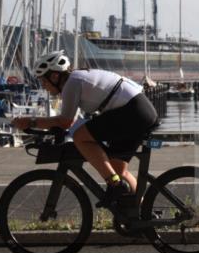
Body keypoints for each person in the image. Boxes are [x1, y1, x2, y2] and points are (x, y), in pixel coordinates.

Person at [11, 51, 158, 204]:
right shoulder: (76, 79)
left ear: (54, 76)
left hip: (133, 111)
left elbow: (65, 121)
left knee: (80, 137)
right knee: (118, 168)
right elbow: (71, 121)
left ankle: (115, 184)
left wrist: (30, 122)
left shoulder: (71, 83)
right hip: (139, 110)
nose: (43, 86)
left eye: (43, 81)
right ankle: (142, 213)